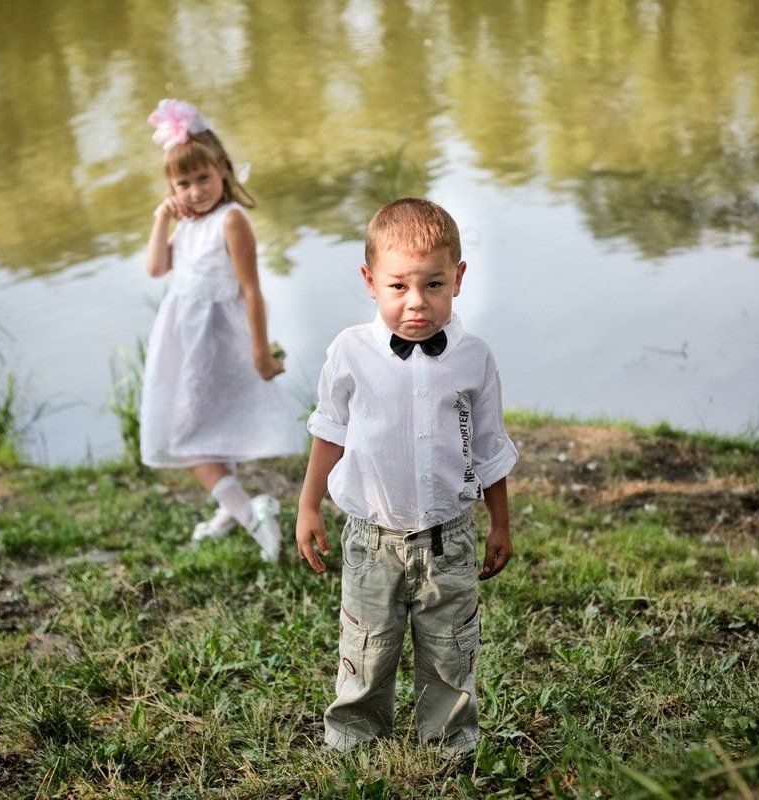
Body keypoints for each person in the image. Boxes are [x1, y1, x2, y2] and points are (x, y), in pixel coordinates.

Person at [296, 198, 518, 752]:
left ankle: (448, 743)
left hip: (450, 537)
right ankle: (354, 739)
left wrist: (500, 525)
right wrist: (308, 505)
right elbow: (330, 432)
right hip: (372, 537)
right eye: (398, 287)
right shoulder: (349, 352)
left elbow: (489, 447)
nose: (416, 304)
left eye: (434, 285)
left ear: (459, 279)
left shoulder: (474, 358)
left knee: (450, 648)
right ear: (370, 282)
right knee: (367, 644)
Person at [140, 99, 302, 558]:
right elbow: (156, 268)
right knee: (203, 425)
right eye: (183, 183)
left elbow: (251, 290)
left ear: (224, 171)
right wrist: (162, 216)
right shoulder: (188, 223)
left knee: (186, 437)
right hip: (184, 338)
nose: (195, 191)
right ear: (172, 188)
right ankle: (231, 510)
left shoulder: (231, 220)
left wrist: (260, 352)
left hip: (217, 340)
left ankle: (252, 515)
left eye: (203, 178)